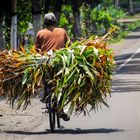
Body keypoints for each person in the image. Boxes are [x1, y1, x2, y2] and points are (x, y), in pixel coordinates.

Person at [34, 13, 71, 121]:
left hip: (46, 62)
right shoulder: (62, 31)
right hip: (60, 62)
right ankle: (60, 107)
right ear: (55, 22)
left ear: (45, 22)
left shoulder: (40, 33)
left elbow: (36, 49)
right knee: (64, 84)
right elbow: (69, 45)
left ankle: (46, 93)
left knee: (45, 78)